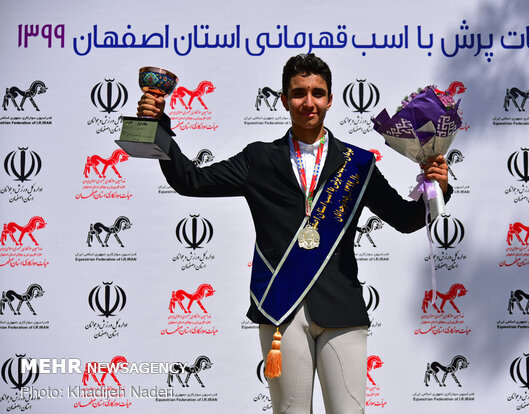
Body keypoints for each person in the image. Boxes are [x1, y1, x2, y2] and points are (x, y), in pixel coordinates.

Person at [137, 53, 450, 414]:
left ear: (330, 99)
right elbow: (188, 181)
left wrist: (437, 187)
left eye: (317, 93)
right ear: (284, 99)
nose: (309, 102)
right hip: (279, 309)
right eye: (299, 93)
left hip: (341, 309)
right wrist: (156, 123)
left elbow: (406, 219)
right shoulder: (259, 159)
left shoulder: (358, 164)